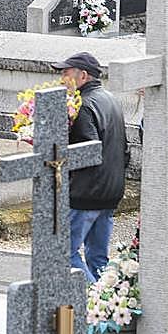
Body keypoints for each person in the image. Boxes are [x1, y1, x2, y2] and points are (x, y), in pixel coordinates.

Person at [51, 52, 128, 283]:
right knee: (98, 257)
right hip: (111, 190)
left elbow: (87, 152)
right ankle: (108, 302)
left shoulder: (83, 106)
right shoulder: (111, 100)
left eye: (66, 73)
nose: (62, 79)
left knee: (64, 254)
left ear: (82, 76)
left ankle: (94, 298)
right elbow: (124, 149)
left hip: (86, 193)